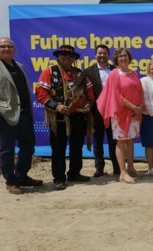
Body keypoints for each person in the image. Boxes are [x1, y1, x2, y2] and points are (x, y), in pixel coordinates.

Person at [0, 37, 42, 194]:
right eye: (2, 46)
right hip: (4, 117)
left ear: (14, 49)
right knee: (7, 151)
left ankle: (22, 176)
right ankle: (11, 181)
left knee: (28, 147)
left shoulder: (19, 66)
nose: (6, 48)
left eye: (9, 46)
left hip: (24, 115)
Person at [36, 45, 94, 190]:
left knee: (77, 147)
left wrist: (88, 105)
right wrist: (58, 107)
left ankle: (74, 173)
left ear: (74, 58)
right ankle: (59, 178)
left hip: (78, 117)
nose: (67, 57)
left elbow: (90, 93)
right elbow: (41, 94)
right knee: (58, 148)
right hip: (59, 118)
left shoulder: (80, 74)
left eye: (70, 55)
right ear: (58, 57)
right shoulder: (50, 72)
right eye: (63, 55)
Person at [97, 47, 144, 184]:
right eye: (120, 56)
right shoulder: (114, 74)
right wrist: (134, 107)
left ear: (129, 58)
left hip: (134, 114)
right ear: (116, 59)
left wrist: (139, 107)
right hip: (120, 113)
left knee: (131, 141)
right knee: (121, 142)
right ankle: (122, 173)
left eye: (125, 55)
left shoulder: (134, 73)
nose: (123, 58)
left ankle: (131, 168)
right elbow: (116, 97)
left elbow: (140, 91)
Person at [83, 44, 120, 177]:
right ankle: (99, 167)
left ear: (109, 56)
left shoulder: (116, 71)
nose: (102, 55)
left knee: (114, 141)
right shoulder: (87, 72)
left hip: (113, 112)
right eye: (99, 53)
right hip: (96, 112)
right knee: (97, 141)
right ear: (95, 55)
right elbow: (85, 92)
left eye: (104, 53)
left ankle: (117, 167)